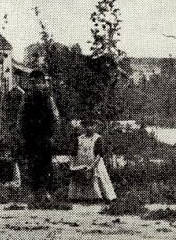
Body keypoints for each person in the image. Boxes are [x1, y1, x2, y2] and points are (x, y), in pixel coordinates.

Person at [17, 69, 61, 202]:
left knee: (46, 164)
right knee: (32, 164)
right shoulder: (26, 97)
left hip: (45, 137)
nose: (35, 85)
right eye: (33, 82)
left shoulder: (48, 97)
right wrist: (21, 134)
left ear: (43, 83)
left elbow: (56, 117)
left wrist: (53, 136)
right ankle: (34, 193)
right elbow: (20, 116)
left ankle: (47, 192)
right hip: (30, 137)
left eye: (38, 82)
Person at [68, 119, 116, 203]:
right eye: (86, 126)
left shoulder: (97, 138)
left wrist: (92, 166)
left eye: (91, 125)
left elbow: (99, 154)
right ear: (83, 127)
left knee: (99, 180)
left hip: (95, 164)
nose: (88, 128)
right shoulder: (79, 138)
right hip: (81, 164)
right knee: (78, 180)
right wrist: (72, 165)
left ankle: (104, 198)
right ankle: (78, 198)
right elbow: (73, 153)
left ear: (95, 127)